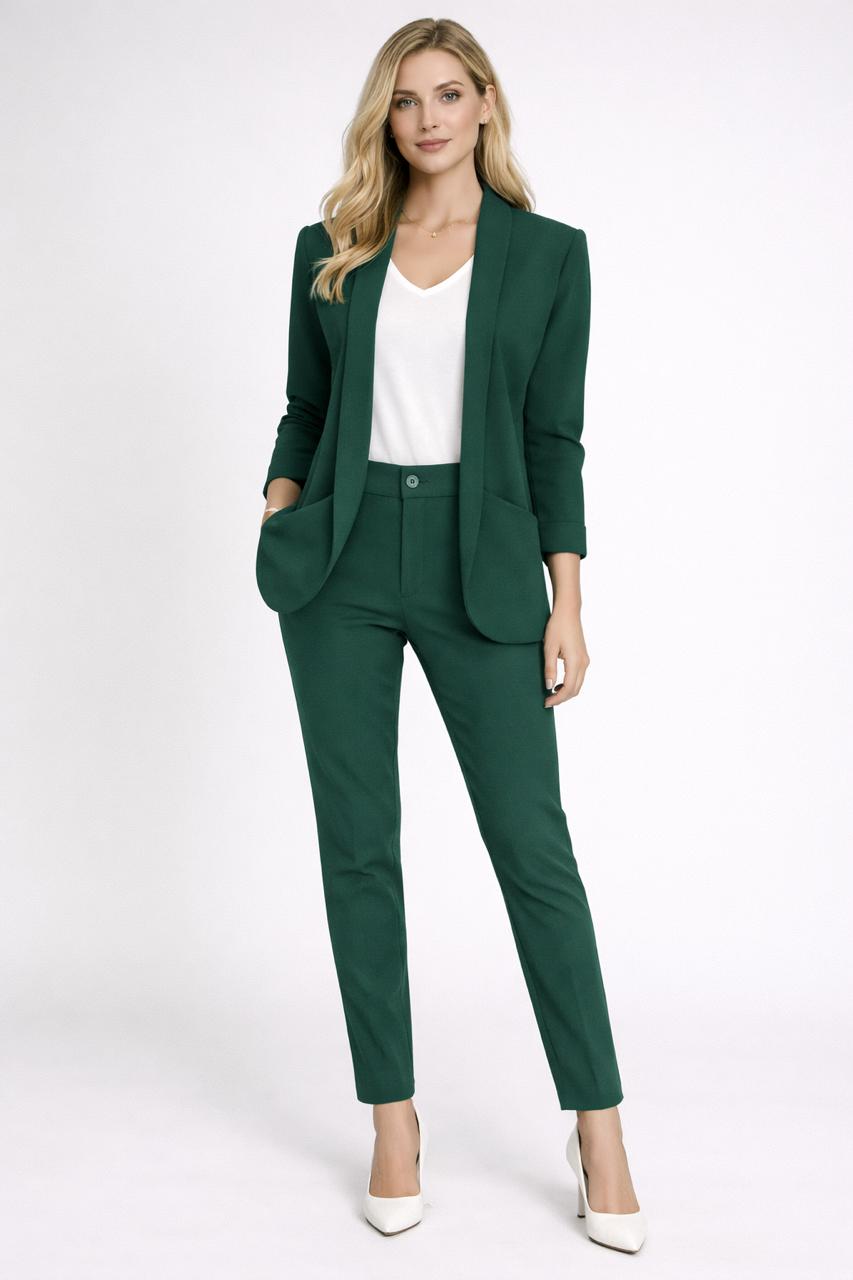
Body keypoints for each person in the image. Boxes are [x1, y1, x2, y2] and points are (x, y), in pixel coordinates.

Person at [256, 17, 646, 1253]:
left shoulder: (547, 255)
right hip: (343, 556)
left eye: (446, 94)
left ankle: (597, 1126)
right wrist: (278, 500)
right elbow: (305, 405)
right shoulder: (333, 246)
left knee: (533, 847)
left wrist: (566, 597)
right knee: (358, 845)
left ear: (483, 103)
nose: (425, 118)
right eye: (405, 99)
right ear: (386, 116)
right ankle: (392, 1115)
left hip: (482, 564)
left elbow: (553, 439)